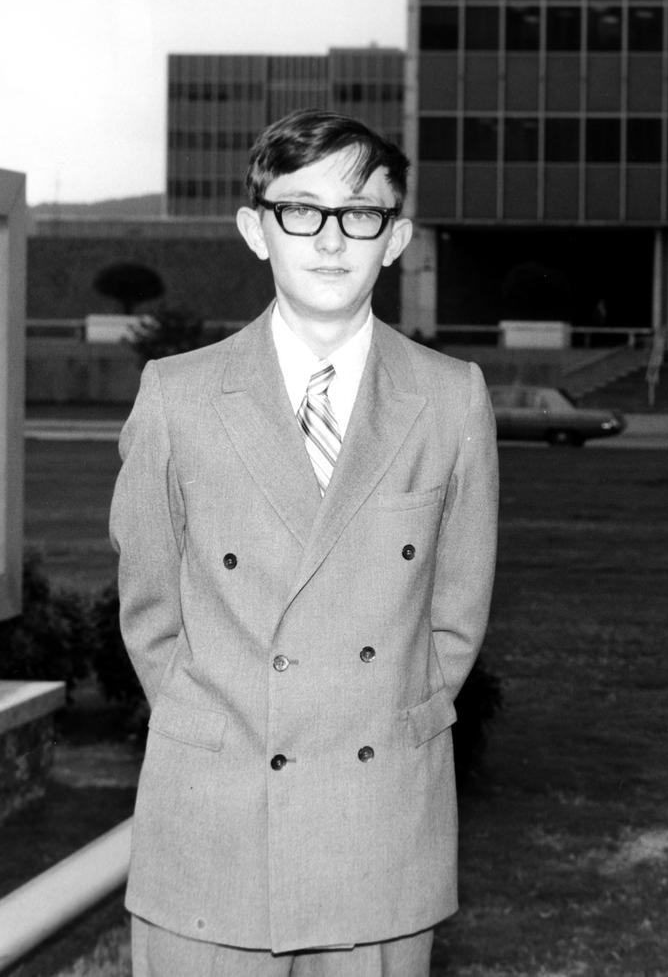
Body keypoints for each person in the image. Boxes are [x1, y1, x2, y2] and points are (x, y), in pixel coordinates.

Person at [109, 109, 499, 975]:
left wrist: (389, 722)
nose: (330, 239)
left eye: (361, 214)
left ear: (396, 238)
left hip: (379, 828)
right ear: (256, 229)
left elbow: (455, 619)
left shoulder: (450, 399)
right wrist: (209, 726)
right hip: (213, 825)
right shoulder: (177, 396)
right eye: (301, 210)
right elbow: (150, 611)